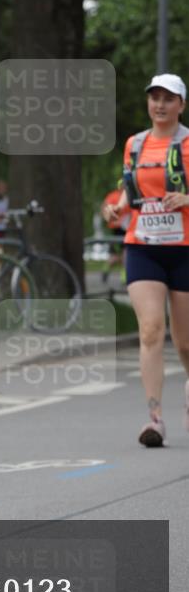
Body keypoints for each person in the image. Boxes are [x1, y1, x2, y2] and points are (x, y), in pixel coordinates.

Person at [103, 73, 189, 448]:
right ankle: (154, 418)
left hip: (184, 248)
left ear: (181, 105)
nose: (160, 104)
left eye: (168, 99)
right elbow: (130, 190)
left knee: (185, 343)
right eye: (155, 97)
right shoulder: (134, 145)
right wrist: (116, 208)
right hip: (142, 245)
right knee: (152, 330)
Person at [100, 188, 131, 283]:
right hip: (117, 230)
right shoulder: (113, 196)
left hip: (127, 229)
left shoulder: (130, 195)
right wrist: (114, 219)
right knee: (116, 256)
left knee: (126, 254)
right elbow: (104, 209)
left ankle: (124, 276)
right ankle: (106, 269)